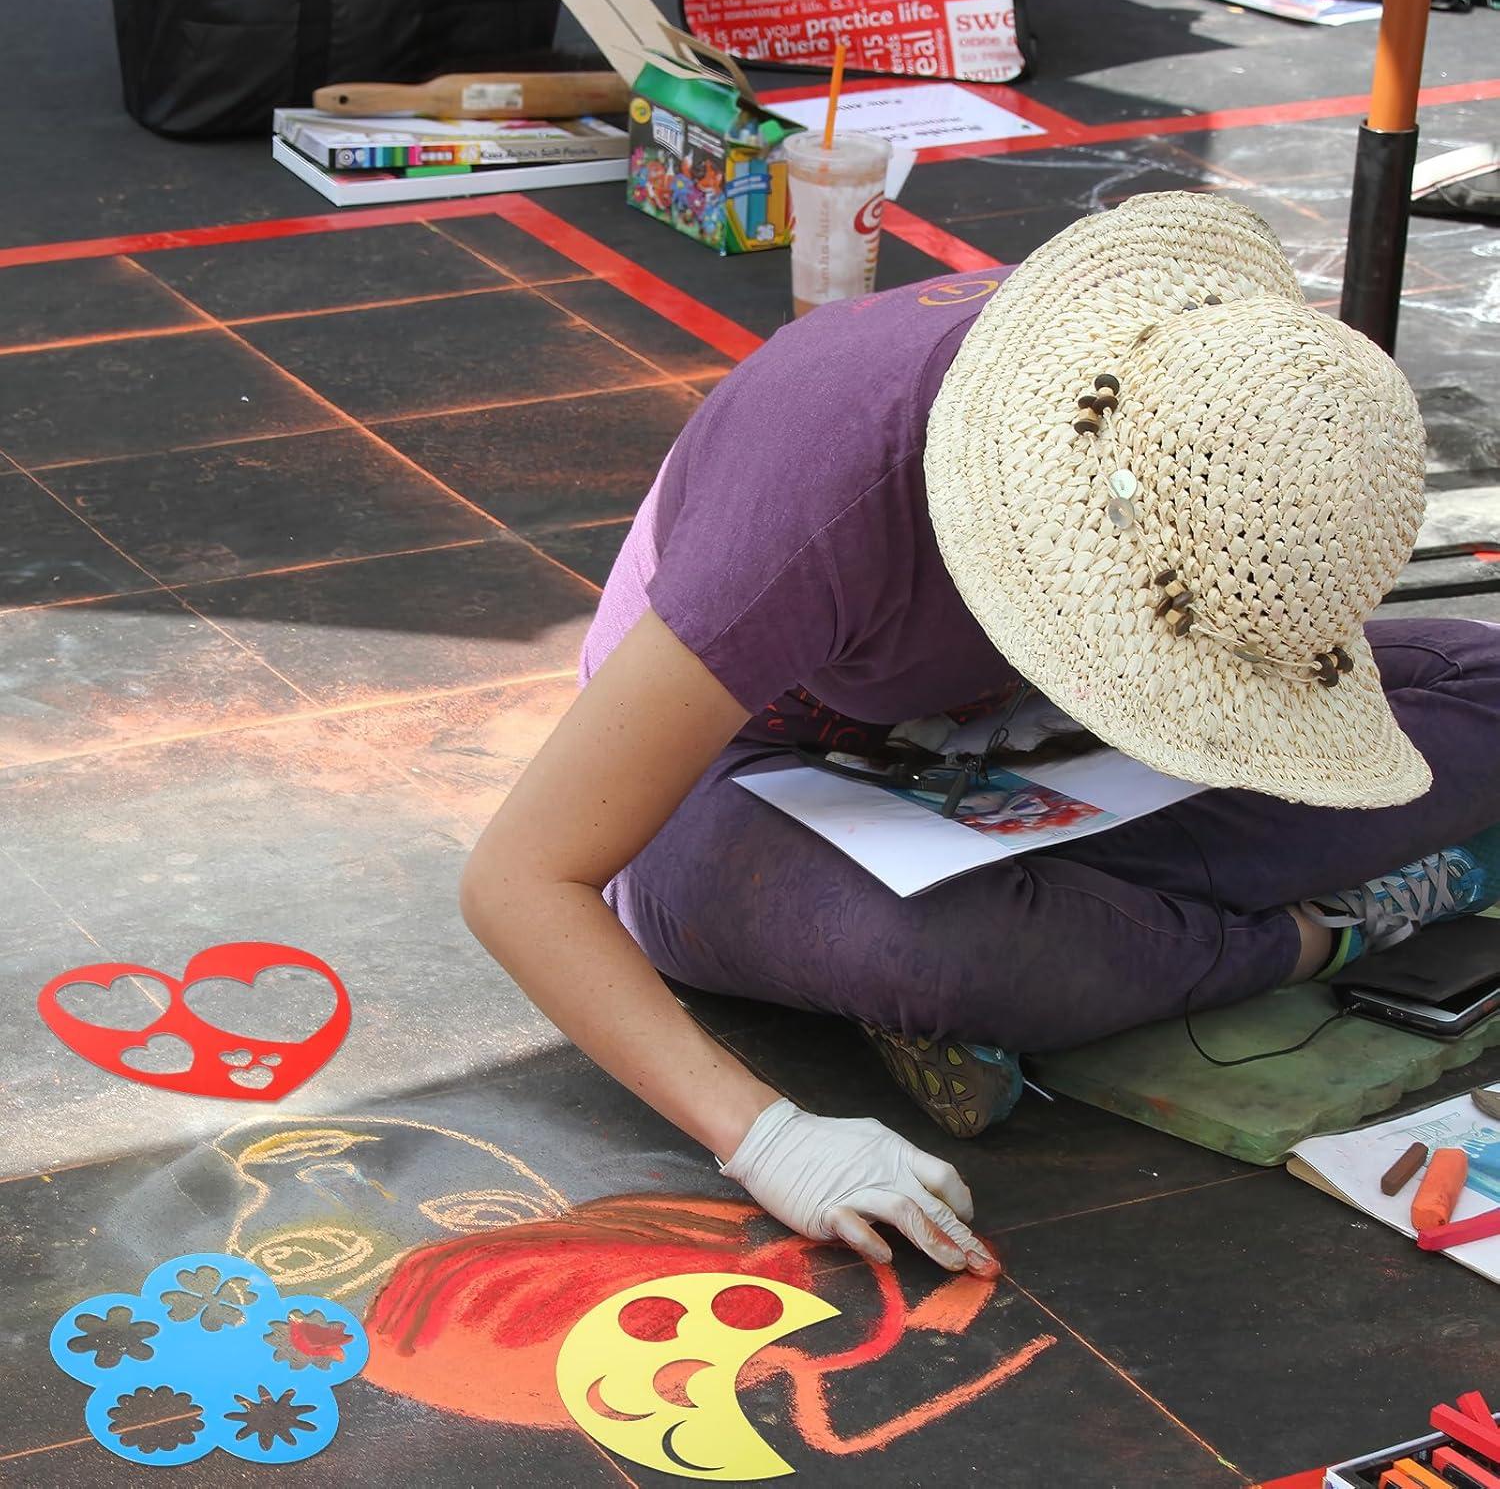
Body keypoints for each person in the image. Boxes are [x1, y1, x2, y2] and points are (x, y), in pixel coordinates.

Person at [459, 193, 1500, 1278]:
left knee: (1486, 693)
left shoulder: (1204, 407)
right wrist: (763, 1136)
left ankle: (1118, 943)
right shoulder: (820, 488)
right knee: (952, 950)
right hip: (749, 778)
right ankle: (1321, 929)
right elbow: (523, 881)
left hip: (1021, 750)